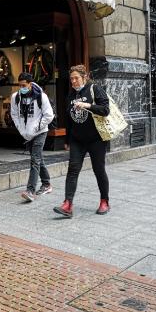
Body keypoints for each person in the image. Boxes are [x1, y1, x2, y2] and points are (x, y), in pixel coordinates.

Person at [53, 65, 111, 218]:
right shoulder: (71, 94)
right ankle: (68, 204)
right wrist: (67, 140)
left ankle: (104, 201)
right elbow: (69, 119)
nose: (73, 81)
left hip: (96, 140)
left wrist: (88, 105)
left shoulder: (94, 89)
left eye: (76, 78)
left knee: (98, 170)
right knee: (72, 170)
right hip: (77, 140)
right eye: (71, 79)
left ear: (85, 77)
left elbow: (105, 110)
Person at [10, 72, 55, 202]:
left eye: (24, 85)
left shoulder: (41, 96)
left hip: (40, 132)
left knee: (35, 159)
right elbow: (14, 114)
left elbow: (49, 115)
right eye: (20, 85)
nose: (21, 88)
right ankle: (46, 184)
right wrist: (21, 130)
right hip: (26, 133)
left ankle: (30, 190)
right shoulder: (15, 97)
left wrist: (36, 128)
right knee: (38, 158)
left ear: (30, 84)